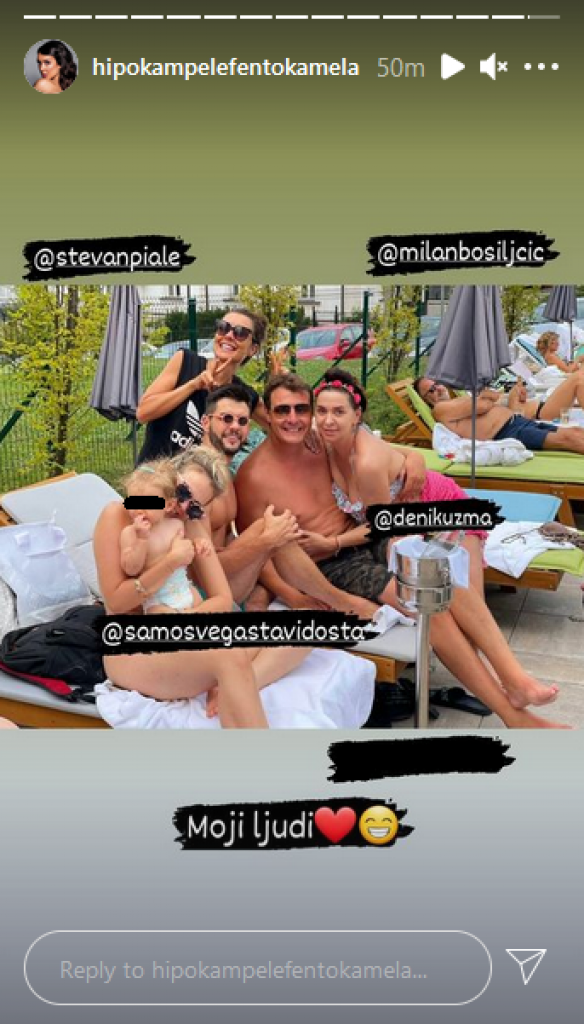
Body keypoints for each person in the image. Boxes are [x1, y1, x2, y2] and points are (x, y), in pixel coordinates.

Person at [236, 373, 568, 728]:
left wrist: (414, 460)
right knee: (431, 607)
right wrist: (296, 597)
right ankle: (513, 716)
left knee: (439, 574)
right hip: (331, 563)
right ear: (266, 414)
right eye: (282, 410)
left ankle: (513, 677)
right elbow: (260, 551)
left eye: (301, 409)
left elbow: (385, 453)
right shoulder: (254, 477)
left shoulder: (319, 440)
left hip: (363, 535)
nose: (293, 418)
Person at [94, 445, 307, 729]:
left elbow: (223, 598)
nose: (183, 507)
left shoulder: (186, 522)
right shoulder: (118, 516)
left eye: (195, 504)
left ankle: (236, 685)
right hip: (134, 649)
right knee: (227, 654)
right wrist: (169, 563)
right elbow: (117, 602)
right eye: (183, 494)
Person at [175, 384, 380, 619]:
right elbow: (198, 568)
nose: (235, 427)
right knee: (273, 528)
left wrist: (411, 458)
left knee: (272, 540)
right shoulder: (196, 481)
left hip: (225, 579)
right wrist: (265, 544)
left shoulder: (224, 475)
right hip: (198, 591)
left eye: (242, 421)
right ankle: (341, 602)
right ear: (205, 422)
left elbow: (231, 540)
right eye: (226, 418)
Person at [136, 309, 269, 462]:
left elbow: (281, 426)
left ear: (253, 349)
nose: (228, 335)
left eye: (240, 333)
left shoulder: (243, 396)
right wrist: (193, 385)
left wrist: (279, 383)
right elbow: (143, 413)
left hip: (199, 477)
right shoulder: (185, 362)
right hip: (153, 475)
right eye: (223, 327)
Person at [120, 459, 211, 614]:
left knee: (203, 607)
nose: (139, 510)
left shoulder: (176, 525)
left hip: (184, 588)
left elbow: (185, 549)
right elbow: (131, 569)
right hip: (157, 599)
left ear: (168, 505)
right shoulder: (130, 533)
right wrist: (141, 540)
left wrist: (198, 544)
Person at [414, 376, 584, 454]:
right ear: (426, 399)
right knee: (569, 438)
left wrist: (487, 398)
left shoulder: (458, 400)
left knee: (576, 432)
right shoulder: (440, 409)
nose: (438, 389)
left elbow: (493, 398)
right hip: (509, 432)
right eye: (431, 390)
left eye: (437, 383)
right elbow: (482, 405)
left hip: (518, 422)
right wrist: (485, 398)